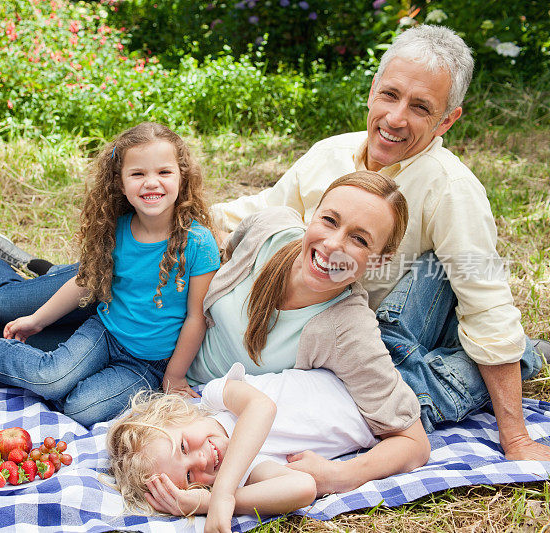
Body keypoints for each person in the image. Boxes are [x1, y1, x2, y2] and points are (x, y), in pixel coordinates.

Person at [208, 24, 550, 461]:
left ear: (447, 120)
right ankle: (520, 356)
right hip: (329, 337)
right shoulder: (329, 153)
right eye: (390, 95)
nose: (395, 118)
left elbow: (487, 305)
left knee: (404, 399)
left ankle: (518, 358)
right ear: (372, 90)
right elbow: (265, 210)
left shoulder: (452, 190)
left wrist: (516, 439)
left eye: (421, 107)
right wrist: (169, 213)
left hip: (395, 328)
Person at [183, 171, 427, 496]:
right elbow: (223, 253)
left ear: (379, 260)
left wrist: (338, 475)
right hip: (168, 367)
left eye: (359, 239)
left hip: (209, 406)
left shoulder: (348, 329)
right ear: (311, 215)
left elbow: (414, 443)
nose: (333, 244)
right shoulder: (270, 229)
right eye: (329, 220)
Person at [0, 122, 220, 426]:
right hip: (104, 333)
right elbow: (85, 282)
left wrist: (174, 375)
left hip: (148, 365)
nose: (151, 183)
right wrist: (36, 320)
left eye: (164, 172)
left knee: (82, 410)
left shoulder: (198, 243)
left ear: (182, 177)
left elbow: (197, 317)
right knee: (53, 379)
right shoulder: (117, 229)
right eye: (137, 174)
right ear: (120, 183)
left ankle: (49, 371)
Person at [107, 363, 430, 532]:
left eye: (183, 446)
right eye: (191, 476)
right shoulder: (247, 475)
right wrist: (207, 502)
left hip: (369, 368)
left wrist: (221, 496)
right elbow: (303, 486)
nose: (203, 459)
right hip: (417, 401)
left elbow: (262, 409)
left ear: (178, 413)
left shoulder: (216, 397)